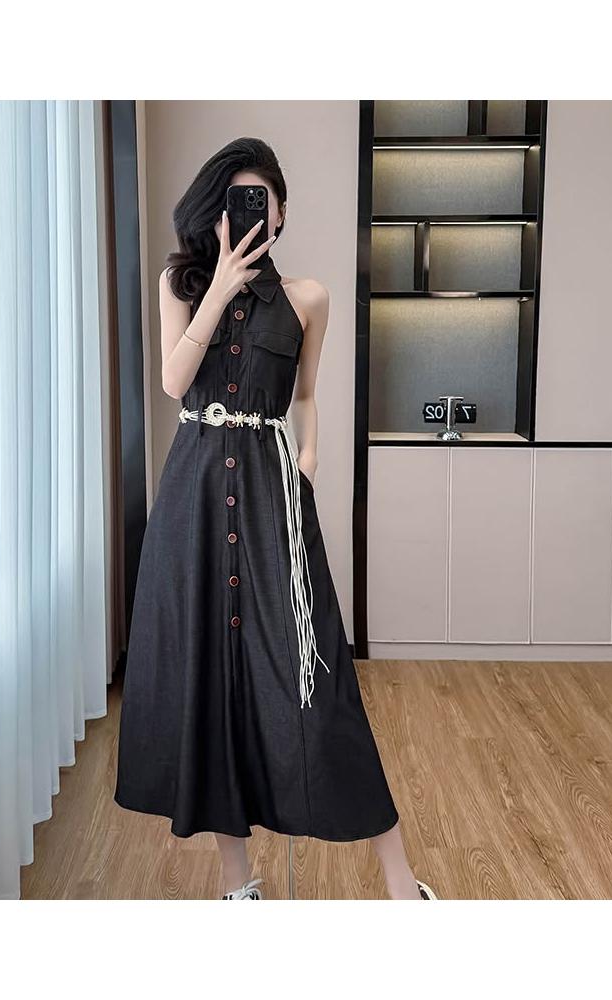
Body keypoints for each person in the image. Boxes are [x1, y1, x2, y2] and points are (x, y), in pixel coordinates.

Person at [113, 137, 438, 901]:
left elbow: (308, 393)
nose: (248, 211)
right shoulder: (180, 283)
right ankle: (240, 886)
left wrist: (311, 460)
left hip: (273, 493)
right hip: (194, 497)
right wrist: (220, 288)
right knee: (210, 683)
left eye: (260, 198)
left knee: (317, 679)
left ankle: (403, 887)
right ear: (215, 212)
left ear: (281, 211)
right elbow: (173, 381)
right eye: (235, 199)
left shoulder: (308, 298)